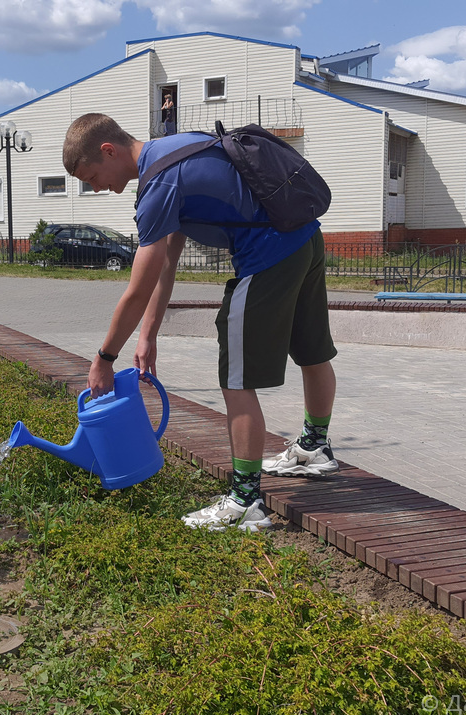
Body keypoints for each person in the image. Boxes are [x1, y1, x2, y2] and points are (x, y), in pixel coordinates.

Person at [62, 113, 339, 532]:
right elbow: (167, 261)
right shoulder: (174, 150)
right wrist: (149, 334)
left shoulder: (159, 183)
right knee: (312, 350)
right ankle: (315, 447)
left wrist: (104, 357)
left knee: (235, 380)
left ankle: (246, 501)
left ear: (108, 150)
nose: (95, 187)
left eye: (93, 176)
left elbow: (137, 288)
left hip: (267, 254)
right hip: (304, 237)